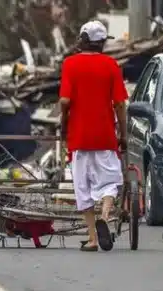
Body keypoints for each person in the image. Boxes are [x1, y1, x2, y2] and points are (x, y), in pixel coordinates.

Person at [59, 19, 128, 252]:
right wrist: (124, 134)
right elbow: (120, 104)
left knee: (83, 188)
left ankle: (92, 239)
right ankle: (105, 216)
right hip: (105, 136)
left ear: (83, 40)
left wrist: (62, 123)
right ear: (101, 43)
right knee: (110, 183)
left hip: (79, 137)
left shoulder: (70, 64)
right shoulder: (111, 65)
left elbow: (65, 100)